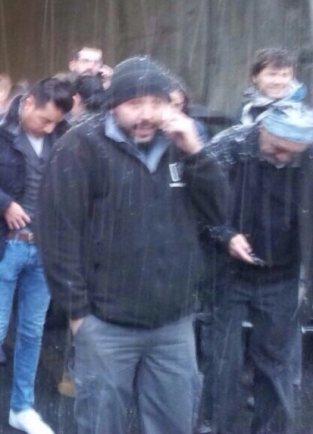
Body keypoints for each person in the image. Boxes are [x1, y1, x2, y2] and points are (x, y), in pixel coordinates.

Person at [38, 56, 241, 434]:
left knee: (173, 424)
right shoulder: (80, 147)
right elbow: (57, 233)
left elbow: (220, 212)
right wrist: (78, 314)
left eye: (156, 103)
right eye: (135, 104)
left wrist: (196, 154)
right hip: (105, 324)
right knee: (102, 425)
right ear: (113, 104)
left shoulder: (181, 144)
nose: (146, 114)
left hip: (173, 325)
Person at [0, 77, 74, 434]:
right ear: (28, 102)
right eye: (44, 119)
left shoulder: (63, 135)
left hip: (45, 247)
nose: (48, 127)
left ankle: (22, 408)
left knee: (32, 331)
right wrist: (2, 203)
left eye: (55, 122)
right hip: (3, 244)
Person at [198, 102, 313, 434]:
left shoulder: (306, 157)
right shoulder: (231, 146)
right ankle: (216, 427)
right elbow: (196, 197)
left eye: (292, 153)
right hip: (227, 270)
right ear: (262, 130)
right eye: (277, 149)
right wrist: (223, 234)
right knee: (222, 360)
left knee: (277, 363)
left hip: (283, 272)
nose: (283, 157)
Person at [240, 47, 306, 123]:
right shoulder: (243, 114)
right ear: (255, 77)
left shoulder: (304, 114)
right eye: (272, 74)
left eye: (285, 75)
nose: (278, 82)